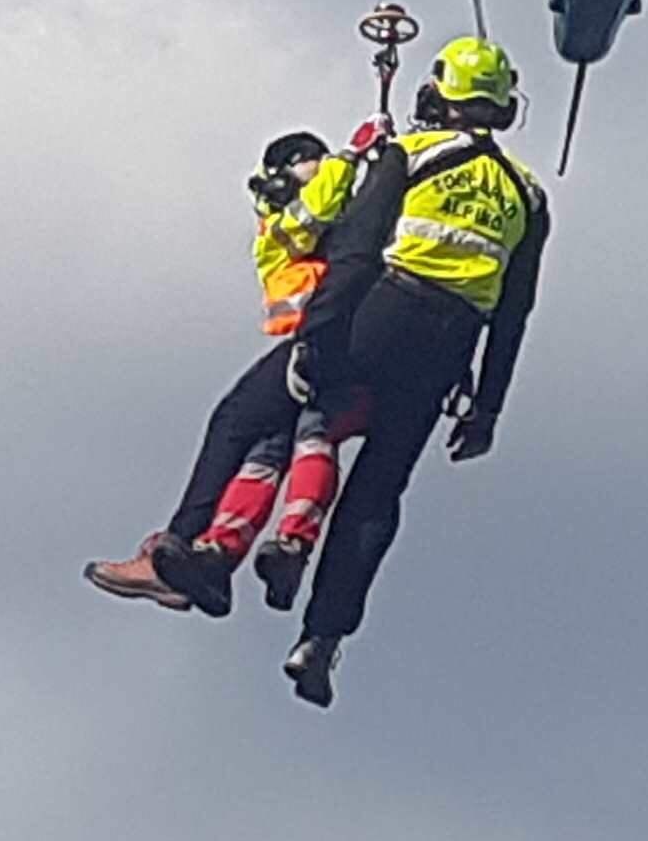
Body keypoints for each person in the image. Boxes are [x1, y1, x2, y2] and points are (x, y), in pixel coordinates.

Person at [86, 39, 550, 707]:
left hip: (380, 316)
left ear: (438, 92)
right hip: (448, 353)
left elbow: (357, 253)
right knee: (375, 496)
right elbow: (515, 312)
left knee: (243, 414)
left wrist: (316, 339)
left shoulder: (411, 155)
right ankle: (322, 640)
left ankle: (178, 557)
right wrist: (488, 409)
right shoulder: (528, 197)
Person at [91, 128, 364, 617]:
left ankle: (188, 546)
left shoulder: (332, 206)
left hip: (330, 338)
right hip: (323, 338)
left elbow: (327, 213)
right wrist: (348, 158)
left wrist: (352, 160)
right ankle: (213, 555)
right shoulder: (287, 225)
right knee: (271, 437)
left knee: (243, 424)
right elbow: (314, 216)